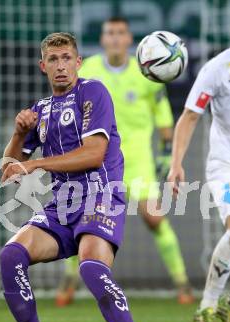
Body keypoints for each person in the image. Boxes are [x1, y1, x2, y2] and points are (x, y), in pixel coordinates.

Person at [0, 32, 159, 322]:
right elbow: (9, 171)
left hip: (101, 194)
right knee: (11, 256)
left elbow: (94, 154)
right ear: (43, 66)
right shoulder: (40, 110)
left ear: (78, 62)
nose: (61, 66)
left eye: (67, 58)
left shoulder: (93, 92)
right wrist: (18, 134)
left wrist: (38, 164)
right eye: (53, 60)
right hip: (62, 204)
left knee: (91, 267)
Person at [56, 17, 193, 307]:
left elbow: (164, 120)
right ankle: (68, 284)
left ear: (130, 39)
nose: (115, 38)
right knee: (82, 220)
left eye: (120, 33)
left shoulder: (147, 73)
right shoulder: (88, 69)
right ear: (103, 39)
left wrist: (166, 156)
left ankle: (182, 283)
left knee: (155, 218)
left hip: (138, 161)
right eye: (110, 33)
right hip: (98, 160)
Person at [168, 48, 230, 322]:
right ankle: (208, 306)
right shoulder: (216, 69)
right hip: (226, 165)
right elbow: (190, 115)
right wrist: (176, 163)